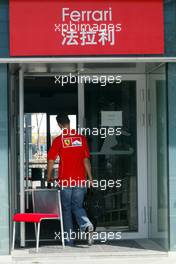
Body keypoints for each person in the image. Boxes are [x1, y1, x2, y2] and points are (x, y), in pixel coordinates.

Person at [47, 113, 94, 246]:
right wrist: (90, 178)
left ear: (60, 125)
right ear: (69, 122)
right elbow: (86, 160)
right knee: (77, 206)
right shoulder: (81, 138)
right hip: (80, 180)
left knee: (66, 209)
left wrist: (49, 176)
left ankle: (69, 240)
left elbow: (51, 161)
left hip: (65, 181)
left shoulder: (58, 140)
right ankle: (87, 225)